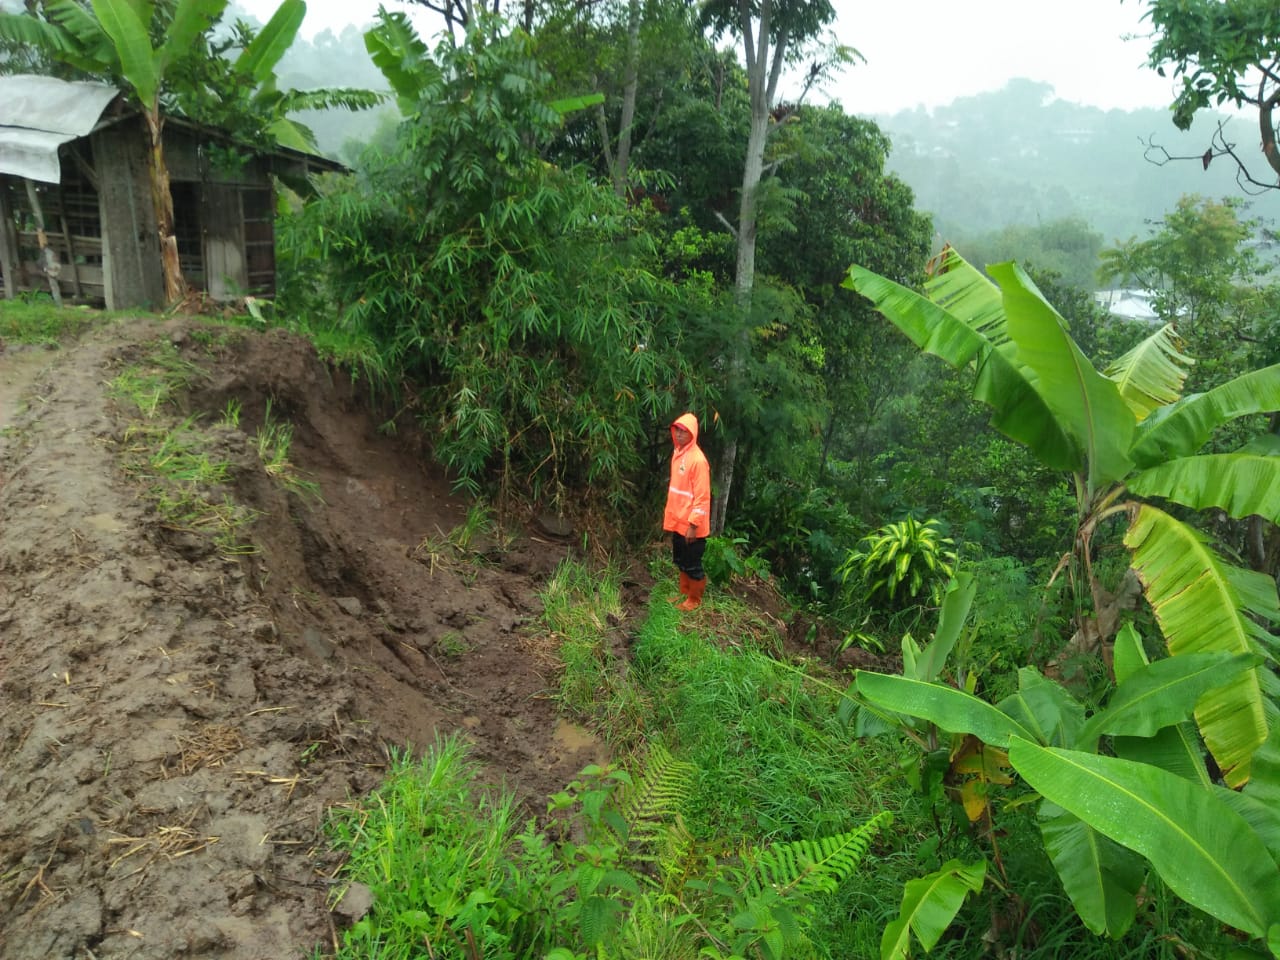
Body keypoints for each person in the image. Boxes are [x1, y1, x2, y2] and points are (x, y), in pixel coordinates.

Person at [663, 412, 711, 611]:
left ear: (693, 434)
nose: (680, 434)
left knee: (693, 564)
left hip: (692, 527)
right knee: (681, 560)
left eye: (684, 431)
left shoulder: (697, 460)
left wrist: (693, 525)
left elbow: (702, 497)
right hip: (679, 522)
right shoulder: (678, 453)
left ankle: (694, 599)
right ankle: (683, 593)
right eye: (677, 430)